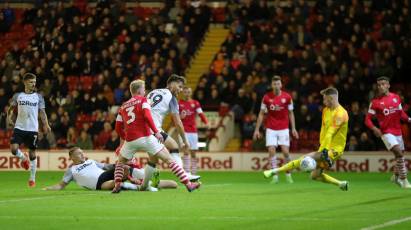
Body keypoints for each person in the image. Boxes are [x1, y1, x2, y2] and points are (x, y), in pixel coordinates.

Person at [113, 79, 200, 193]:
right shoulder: (144, 100)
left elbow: (117, 127)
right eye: (144, 89)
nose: (145, 91)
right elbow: (148, 117)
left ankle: (118, 184)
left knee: (121, 163)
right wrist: (156, 131)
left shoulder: (124, 105)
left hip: (130, 139)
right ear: (139, 90)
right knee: (169, 159)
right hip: (147, 135)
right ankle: (188, 183)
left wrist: (125, 138)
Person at [264, 87, 349, 191]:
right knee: (315, 176)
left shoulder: (341, 114)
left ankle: (275, 170)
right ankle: (341, 184)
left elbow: (330, 133)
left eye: (325, 99)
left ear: (331, 98)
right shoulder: (326, 110)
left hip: (335, 149)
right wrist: (322, 148)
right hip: (325, 147)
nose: (323, 101)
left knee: (304, 158)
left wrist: (325, 152)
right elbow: (324, 131)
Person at [43, 147, 177, 191]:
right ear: (71, 157)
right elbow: (61, 185)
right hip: (99, 184)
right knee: (116, 184)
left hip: (105, 174)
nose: (82, 154)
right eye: (79, 153)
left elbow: (106, 167)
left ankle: (148, 182)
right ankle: (144, 184)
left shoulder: (91, 161)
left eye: (82, 152)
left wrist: (119, 164)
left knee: (122, 168)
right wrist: (48, 188)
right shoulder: (71, 170)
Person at [146, 74, 200, 181]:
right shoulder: (172, 98)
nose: (180, 90)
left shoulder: (154, 91)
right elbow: (178, 123)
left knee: (153, 159)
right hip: (153, 129)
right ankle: (184, 174)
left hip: (142, 127)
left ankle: (146, 184)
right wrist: (185, 141)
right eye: (179, 86)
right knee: (174, 146)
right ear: (171, 84)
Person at [365, 76, 411, 188]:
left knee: (399, 156)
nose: (381, 86)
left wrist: (409, 119)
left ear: (388, 85)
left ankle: (395, 177)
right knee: (399, 154)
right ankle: (404, 180)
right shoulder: (375, 102)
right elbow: (367, 119)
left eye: (383, 84)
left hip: (398, 131)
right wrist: (375, 129)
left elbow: (401, 113)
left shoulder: (396, 97)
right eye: (379, 85)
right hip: (386, 133)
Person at [7, 73, 51, 187]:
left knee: (32, 153)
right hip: (19, 127)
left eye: (35, 82)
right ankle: (23, 158)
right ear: (25, 82)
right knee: (13, 149)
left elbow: (42, 112)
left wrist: (46, 124)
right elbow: (11, 109)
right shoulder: (18, 96)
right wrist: (9, 117)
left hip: (32, 129)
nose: (33, 84)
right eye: (31, 82)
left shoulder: (39, 97)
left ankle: (32, 178)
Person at [253, 75, 299, 184]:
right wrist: (256, 129)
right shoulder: (266, 97)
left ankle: (288, 174)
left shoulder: (287, 97)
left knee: (285, 152)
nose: (276, 86)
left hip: (283, 128)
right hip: (271, 128)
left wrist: (293, 128)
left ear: (281, 85)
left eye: (278, 83)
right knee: (271, 151)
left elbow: (291, 113)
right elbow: (261, 114)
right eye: (274, 84)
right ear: (271, 85)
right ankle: (275, 176)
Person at [179, 87, 209, 178]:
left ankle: (194, 172)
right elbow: (174, 117)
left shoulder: (195, 103)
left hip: (193, 131)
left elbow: (201, 114)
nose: (187, 93)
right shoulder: (179, 103)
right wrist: (181, 117)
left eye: (188, 92)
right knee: (186, 150)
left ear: (191, 93)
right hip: (183, 130)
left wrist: (206, 122)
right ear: (183, 93)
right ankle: (187, 173)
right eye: (185, 92)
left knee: (193, 152)